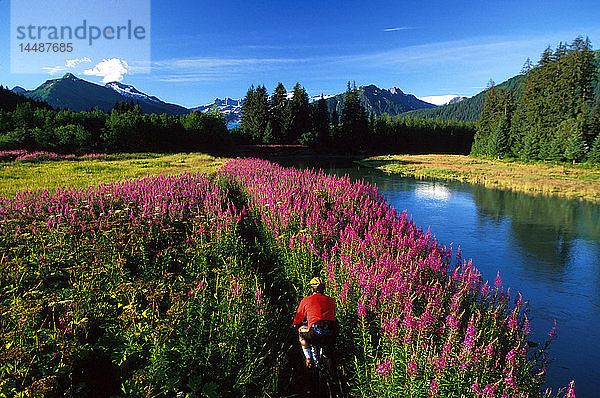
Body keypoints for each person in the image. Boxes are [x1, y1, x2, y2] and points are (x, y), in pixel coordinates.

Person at [292, 277, 338, 368]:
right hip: (332, 332)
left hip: (315, 332)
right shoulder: (332, 300)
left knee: (301, 333)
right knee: (328, 348)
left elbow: (299, 317)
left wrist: (295, 324)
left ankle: (308, 358)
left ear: (312, 289)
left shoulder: (306, 300)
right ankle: (331, 372)